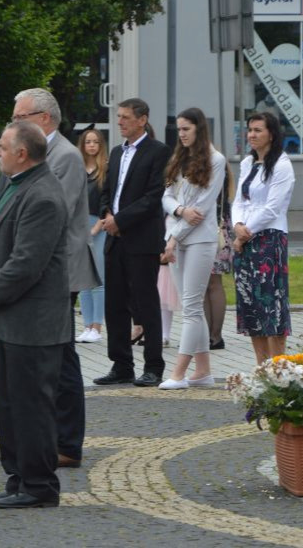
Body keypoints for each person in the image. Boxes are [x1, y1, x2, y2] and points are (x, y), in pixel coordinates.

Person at [0, 122, 70, 509]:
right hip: (13, 318)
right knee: (12, 407)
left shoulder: (42, 194)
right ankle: (19, 478)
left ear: (22, 154)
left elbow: (27, 263)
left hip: (34, 324)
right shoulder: (17, 184)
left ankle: (40, 485)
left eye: (4, 148)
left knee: (32, 408)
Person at [11, 88, 92, 468]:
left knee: (63, 358)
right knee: (58, 357)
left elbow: (55, 210)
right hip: (45, 267)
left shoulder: (67, 156)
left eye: (20, 117)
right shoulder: (37, 154)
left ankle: (68, 442)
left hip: (60, 269)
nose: (14, 124)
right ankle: (57, 438)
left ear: (44, 118)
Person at [93, 98, 171, 388]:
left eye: (126, 117)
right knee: (114, 304)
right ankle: (121, 364)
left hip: (141, 239)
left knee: (145, 302)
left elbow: (153, 196)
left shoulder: (158, 152)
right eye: (119, 116)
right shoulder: (116, 152)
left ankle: (153, 365)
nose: (120, 122)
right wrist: (107, 214)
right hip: (114, 239)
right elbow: (107, 190)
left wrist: (121, 220)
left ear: (142, 119)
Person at [158, 108, 226, 389]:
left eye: (186, 129)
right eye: (179, 130)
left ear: (199, 129)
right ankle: (203, 371)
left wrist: (175, 234)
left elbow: (203, 209)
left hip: (200, 239)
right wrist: (179, 211)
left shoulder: (216, 160)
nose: (181, 134)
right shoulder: (179, 157)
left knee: (191, 306)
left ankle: (178, 373)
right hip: (178, 235)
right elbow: (166, 196)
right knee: (190, 305)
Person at [232, 112, 296, 365]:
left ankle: (278, 368)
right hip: (245, 238)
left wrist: (244, 233)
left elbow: (272, 208)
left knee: (271, 305)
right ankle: (261, 367)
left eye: (258, 130)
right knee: (252, 307)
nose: (252, 135)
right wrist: (237, 224)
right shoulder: (248, 163)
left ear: (271, 133)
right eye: (250, 130)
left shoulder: (282, 165)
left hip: (269, 240)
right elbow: (238, 199)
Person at [77, 128, 107, 342]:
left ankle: (97, 325)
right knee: (81, 279)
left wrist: (98, 226)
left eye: (95, 142)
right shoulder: (78, 169)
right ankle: (87, 325)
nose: (92, 145)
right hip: (79, 225)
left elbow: (108, 202)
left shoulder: (105, 170)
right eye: (88, 142)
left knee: (98, 277)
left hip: (98, 224)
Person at [205, 163, 235, 351]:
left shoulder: (214, 164)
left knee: (213, 283)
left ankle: (215, 335)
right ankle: (209, 334)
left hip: (216, 232)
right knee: (207, 285)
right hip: (216, 230)